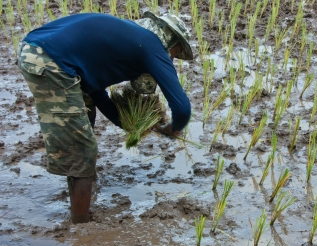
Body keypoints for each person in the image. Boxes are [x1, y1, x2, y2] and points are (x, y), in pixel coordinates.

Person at [17, 11, 193, 224]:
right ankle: (81, 226)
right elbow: (182, 108)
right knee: (82, 147)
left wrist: (129, 123)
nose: (171, 59)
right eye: (175, 53)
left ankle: (84, 190)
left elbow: (95, 91)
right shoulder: (151, 46)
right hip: (47, 59)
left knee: (85, 119)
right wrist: (173, 128)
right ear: (171, 40)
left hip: (40, 49)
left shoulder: (129, 39)